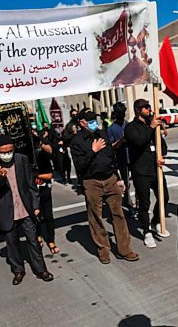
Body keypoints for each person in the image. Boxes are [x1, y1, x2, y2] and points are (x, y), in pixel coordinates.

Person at [70, 111, 139, 264]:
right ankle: (103, 250)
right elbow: (79, 166)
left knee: (118, 215)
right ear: (82, 123)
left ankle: (124, 250)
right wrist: (92, 151)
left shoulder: (103, 134)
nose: (94, 122)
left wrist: (119, 178)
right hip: (92, 182)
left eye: (95, 119)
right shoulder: (77, 141)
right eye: (90, 120)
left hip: (110, 179)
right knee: (96, 218)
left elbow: (111, 158)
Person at [0, 135, 53, 285]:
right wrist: (0, 179)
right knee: (12, 243)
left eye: (10, 151)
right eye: (3, 152)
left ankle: (41, 269)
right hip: (7, 212)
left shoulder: (22, 159)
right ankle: (18, 270)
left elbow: (31, 185)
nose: (7, 154)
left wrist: (35, 205)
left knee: (33, 240)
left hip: (26, 209)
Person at [125, 99, 170, 248]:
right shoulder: (131, 128)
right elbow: (139, 141)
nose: (149, 109)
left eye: (149, 106)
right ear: (138, 110)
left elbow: (162, 145)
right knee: (144, 203)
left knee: (164, 197)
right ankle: (146, 231)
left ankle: (156, 221)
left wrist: (161, 156)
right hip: (141, 171)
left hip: (155, 169)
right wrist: (151, 128)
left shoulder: (153, 126)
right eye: (145, 107)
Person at [108, 102, 137, 217]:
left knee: (137, 182)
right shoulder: (111, 128)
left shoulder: (129, 125)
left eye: (123, 112)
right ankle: (129, 204)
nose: (122, 115)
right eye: (120, 113)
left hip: (133, 157)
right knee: (126, 184)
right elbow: (112, 146)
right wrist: (122, 140)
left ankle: (138, 203)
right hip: (121, 159)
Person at [34, 135, 60, 254]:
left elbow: (49, 175)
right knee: (35, 216)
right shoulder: (24, 158)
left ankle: (51, 241)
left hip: (44, 191)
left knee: (48, 216)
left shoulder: (43, 155)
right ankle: (38, 236)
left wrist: (35, 176)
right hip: (32, 193)